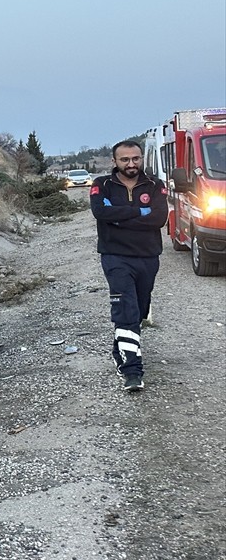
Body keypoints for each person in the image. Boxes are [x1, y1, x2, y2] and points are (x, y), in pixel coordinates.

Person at [90, 140, 169, 392]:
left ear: (141, 158)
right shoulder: (101, 185)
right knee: (126, 310)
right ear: (114, 161)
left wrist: (121, 215)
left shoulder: (156, 185)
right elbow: (100, 213)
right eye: (125, 159)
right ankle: (132, 371)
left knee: (140, 310)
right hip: (115, 256)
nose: (131, 164)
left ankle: (120, 351)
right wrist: (140, 211)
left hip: (148, 256)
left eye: (135, 158)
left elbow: (159, 218)